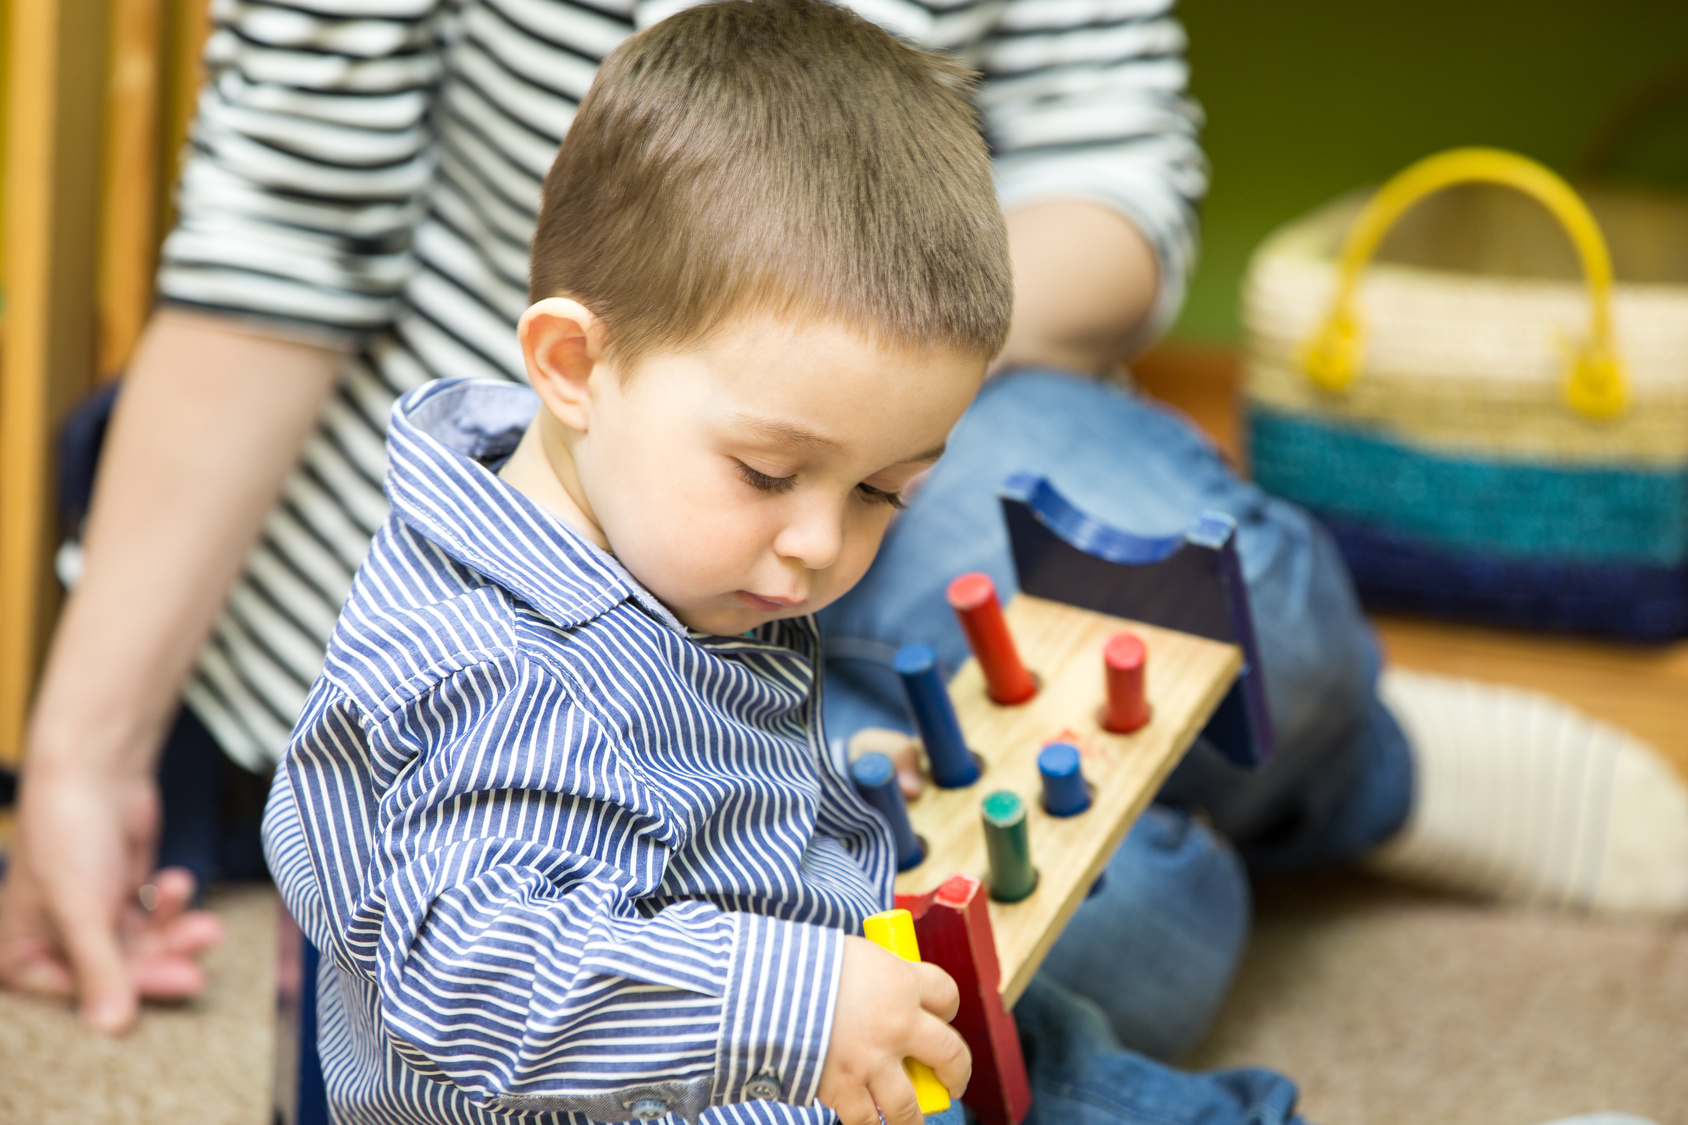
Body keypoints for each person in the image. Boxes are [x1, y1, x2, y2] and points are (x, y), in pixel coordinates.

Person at [262, 5, 1310, 1122]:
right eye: (767, 472)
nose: (819, 545)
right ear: (572, 364)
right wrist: (794, 1002)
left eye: (880, 493)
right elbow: (472, 981)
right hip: (718, 1074)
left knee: (1037, 1042)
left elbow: (661, 796)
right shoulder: (495, 677)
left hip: (793, 1013)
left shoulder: (657, 558)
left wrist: (816, 793)